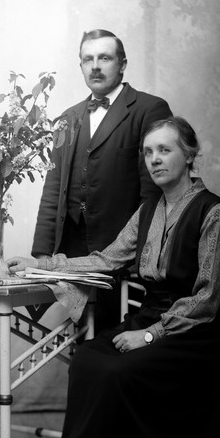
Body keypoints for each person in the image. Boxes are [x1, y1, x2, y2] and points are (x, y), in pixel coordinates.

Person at [7, 116, 220, 438]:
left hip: (200, 335)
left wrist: (151, 335)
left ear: (190, 156)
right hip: (150, 317)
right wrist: (42, 264)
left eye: (165, 150)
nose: (155, 159)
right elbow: (107, 259)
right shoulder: (149, 210)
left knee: (116, 371)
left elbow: (208, 298)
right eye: (149, 152)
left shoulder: (215, 213)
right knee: (87, 359)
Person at [32, 29, 172, 329]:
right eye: (88, 59)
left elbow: (154, 193)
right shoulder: (68, 118)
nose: (95, 66)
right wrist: (42, 255)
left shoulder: (149, 109)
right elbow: (53, 189)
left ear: (122, 64)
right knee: (80, 334)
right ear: (81, 65)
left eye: (104, 58)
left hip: (122, 253)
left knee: (116, 333)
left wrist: (140, 253)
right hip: (71, 249)